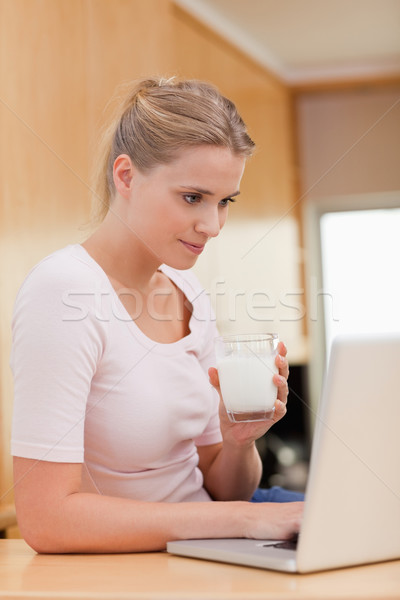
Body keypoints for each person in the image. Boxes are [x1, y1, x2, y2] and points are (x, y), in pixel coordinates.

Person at [10, 76, 304, 554]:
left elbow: (226, 489)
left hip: (211, 531)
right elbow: (45, 519)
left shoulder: (188, 292)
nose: (211, 226)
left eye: (224, 201)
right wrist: (243, 519)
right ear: (125, 176)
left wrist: (237, 441)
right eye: (193, 197)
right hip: (168, 545)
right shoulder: (63, 290)